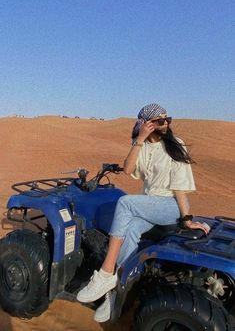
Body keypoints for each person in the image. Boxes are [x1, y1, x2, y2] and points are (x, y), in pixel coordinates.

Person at [77, 103, 210, 322]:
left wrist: (187, 220)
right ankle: (114, 293)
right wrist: (139, 140)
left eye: (168, 119)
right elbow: (128, 169)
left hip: (169, 206)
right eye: (159, 120)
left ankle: (106, 273)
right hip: (150, 204)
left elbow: (179, 188)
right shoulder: (142, 144)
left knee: (125, 203)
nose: (165, 123)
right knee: (130, 231)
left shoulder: (176, 145)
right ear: (146, 123)